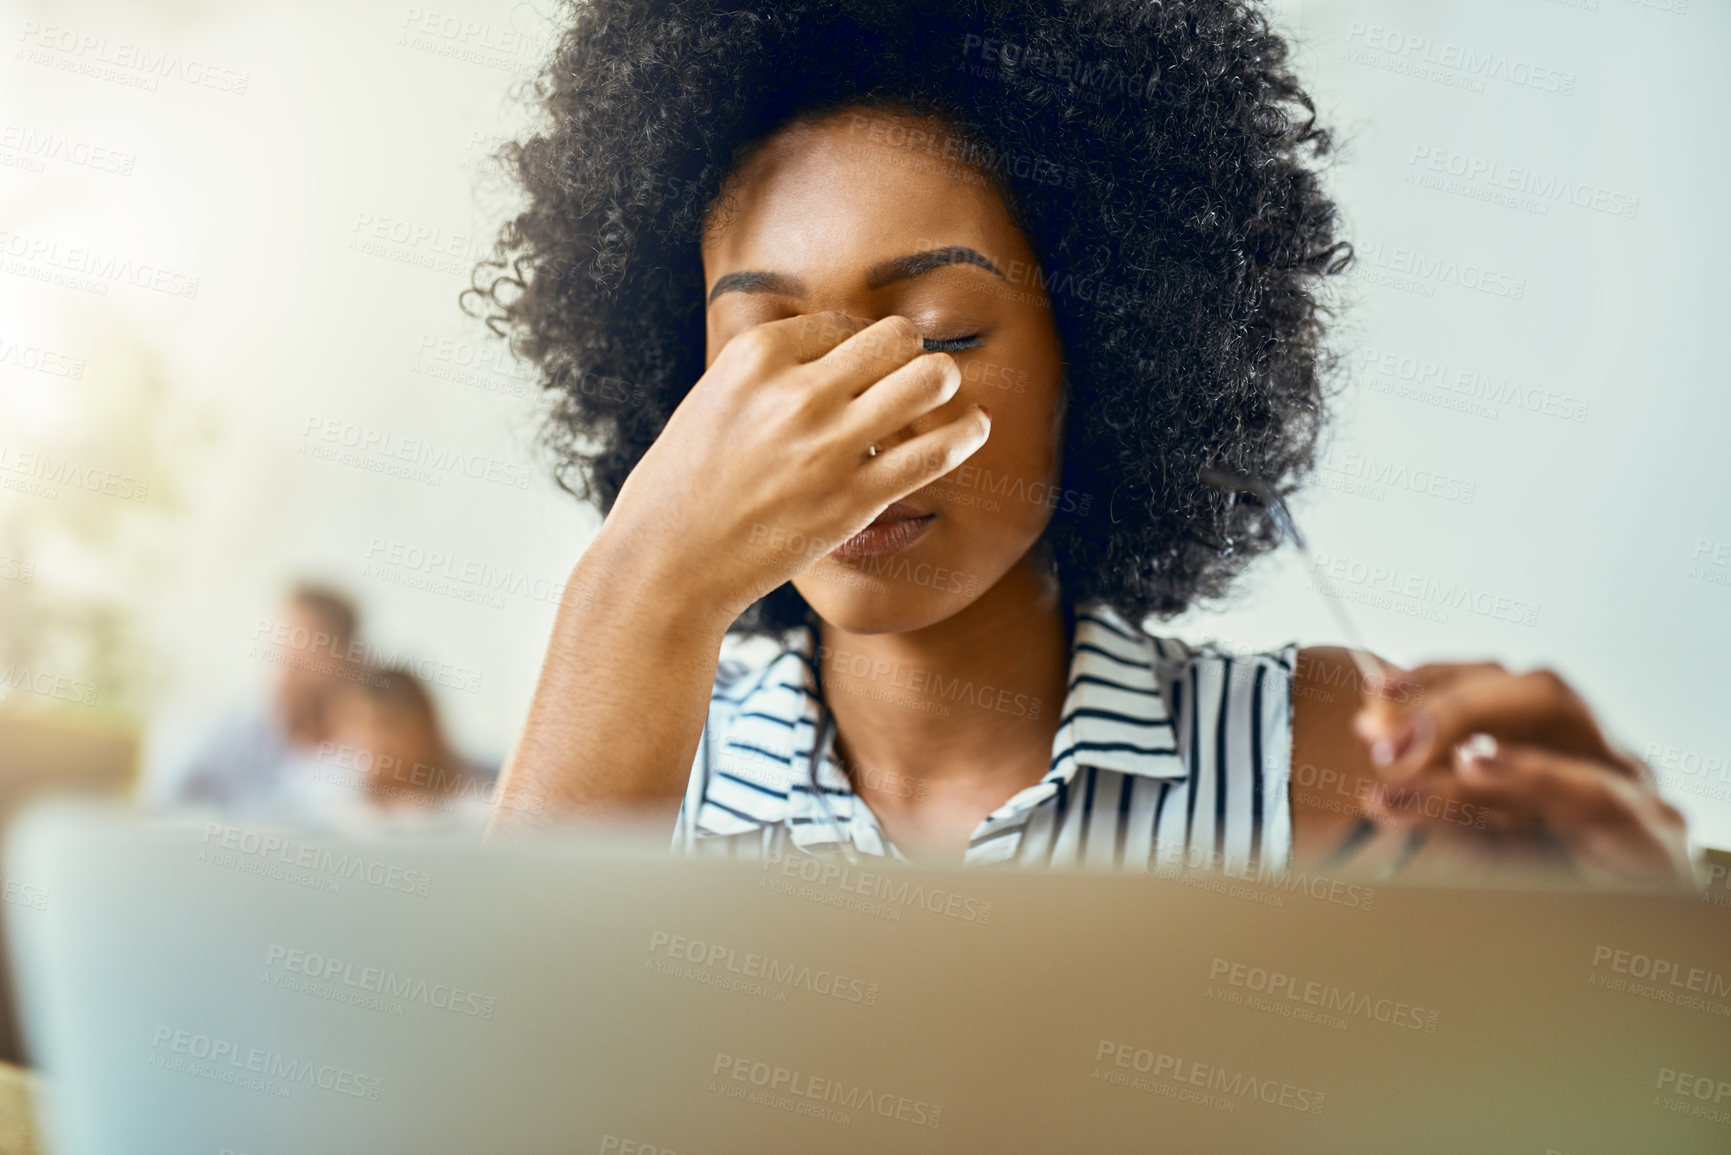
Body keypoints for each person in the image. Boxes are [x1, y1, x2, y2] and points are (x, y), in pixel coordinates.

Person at [468, 0, 1692, 886]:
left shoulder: (1316, 762)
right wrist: (643, 589)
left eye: (940, 335)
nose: (850, 421)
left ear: (1102, 351)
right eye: (769, 352)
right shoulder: (622, 772)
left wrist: (1645, 974)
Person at [153, 583, 364, 815]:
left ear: (346, 655)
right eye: (284, 635)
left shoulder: (368, 742)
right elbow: (162, 806)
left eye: (307, 640)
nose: (287, 652)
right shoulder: (226, 728)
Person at [282, 666, 494, 837]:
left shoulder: (478, 808)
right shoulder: (327, 804)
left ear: (424, 729)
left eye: (386, 725)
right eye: (359, 724)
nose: (374, 741)